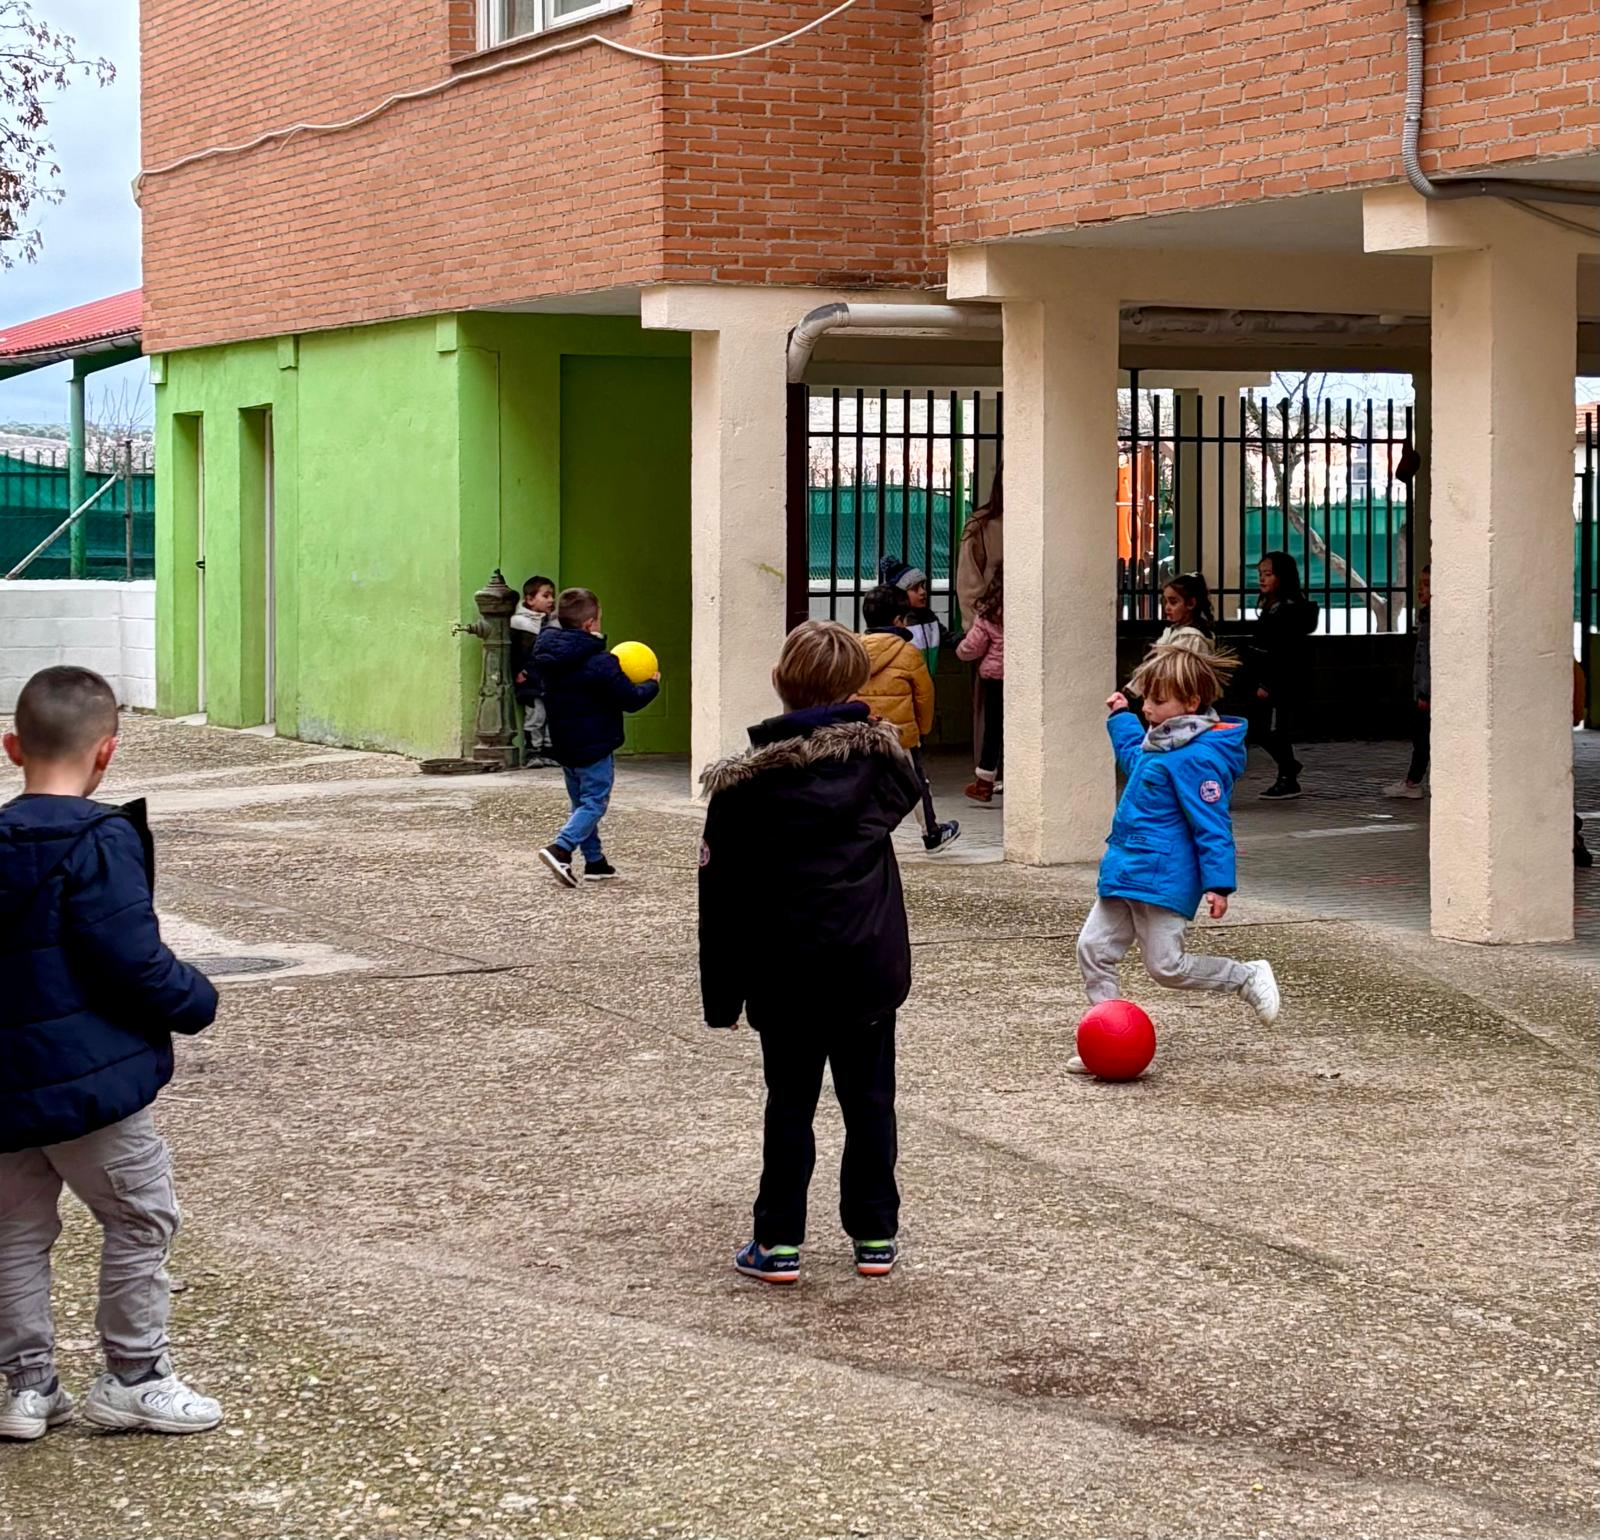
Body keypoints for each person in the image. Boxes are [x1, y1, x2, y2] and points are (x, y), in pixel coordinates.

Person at [0, 666, 222, 1440]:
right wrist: (198, 999)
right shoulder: (103, 841)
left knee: (15, 1236)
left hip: (5, 1090)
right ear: (107, 754)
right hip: (88, 1086)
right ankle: (135, 1375)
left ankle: (28, 1390)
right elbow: (133, 961)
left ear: (12, 746)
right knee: (139, 1219)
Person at [698, 620, 925, 1283]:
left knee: (790, 1102)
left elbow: (722, 898)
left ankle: (778, 1241)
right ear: (856, 682)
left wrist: (723, 997)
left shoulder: (744, 790)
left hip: (785, 966)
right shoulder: (883, 768)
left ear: (779, 680)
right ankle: (875, 1234)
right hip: (867, 962)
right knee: (871, 1099)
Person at [1073, 645, 1281, 1073]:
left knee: (1166, 968)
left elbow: (1212, 823)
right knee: (1092, 949)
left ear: (1191, 703)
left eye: (1157, 701)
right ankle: (1108, 1035)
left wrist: (1218, 883)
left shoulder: (1198, 757)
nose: (1148, 708)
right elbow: (1136, 760)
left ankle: (1246, 975)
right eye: (1145, 699)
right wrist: (1121, 718)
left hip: (1164, 878)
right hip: (1126, 870)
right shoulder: (1163, 742)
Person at [533, 587, 659, 887]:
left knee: (580, 803)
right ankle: (561, 848)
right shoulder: (601, 662)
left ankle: (595, 862)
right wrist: (652, 686)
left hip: (564, 741)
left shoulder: (549, 655)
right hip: (595, 743)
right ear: (590, 623)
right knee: (594, 803)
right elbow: (629, 699)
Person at [857, 584, 960, 855]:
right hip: (901, 735)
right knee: (917, 785)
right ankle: (932, 834)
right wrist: (921, 730)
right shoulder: (908, 652)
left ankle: (862, 834)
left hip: (861, 730)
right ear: (898, 621)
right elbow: (924, 696)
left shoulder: (854, 650)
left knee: (863, 784)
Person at [1248, 551, 1319, 801]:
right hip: (1271, 680)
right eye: (1260, 574)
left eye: (1268, 574)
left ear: (1283, 576)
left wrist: (1267, 683)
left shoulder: (1287, 611)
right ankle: (1288, 768)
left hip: (1281, 683)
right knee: (1262, 729)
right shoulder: (1273, 607)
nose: (1262, 579)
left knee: (1274, 730)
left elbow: (1283, 652)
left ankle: (1288, 775)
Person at [956, 563, 1004, 806]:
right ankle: (1018, 777)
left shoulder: (989, 614)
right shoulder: (1027, 609)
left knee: (993, 729)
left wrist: (960, 649)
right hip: (1024, 677)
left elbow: (972, 647)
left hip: (995, 678)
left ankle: (984, 783)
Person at [1385, 564, 1430, 799]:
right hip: (1424, 691)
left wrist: (1424, 693)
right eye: (1420, 584)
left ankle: (1413, 782)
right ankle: (1413, 780)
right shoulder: (1425, 617)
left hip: (1427, 694)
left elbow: (1428, 661)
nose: (1421, 590)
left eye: (1427, 585)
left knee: (1422, 740)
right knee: (1422, 738)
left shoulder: (1432, 621)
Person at [511, 574, 558, 768]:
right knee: (536, 716)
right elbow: (515, 652)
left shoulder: (553, 623)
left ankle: (549, 751)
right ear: (530, 600)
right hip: (531, 679)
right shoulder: (521, 623)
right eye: (545, 596)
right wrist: (518, 671)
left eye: (552, 596)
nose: (551, 600)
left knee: (552, 714)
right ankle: (533, 751)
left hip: (549, 679)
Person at [879, 556, 943, 675]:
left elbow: (946, 637)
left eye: (923, 586)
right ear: (900, 594)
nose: (923, 592)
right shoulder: (895, 621)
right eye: (915, 589)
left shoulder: (929, 616)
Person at [1158, 572, 1217, 651]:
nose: (1167, 607)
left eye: (1173, 602)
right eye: (1165, 602)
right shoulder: (1175, 630)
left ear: (1190, 603)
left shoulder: (1191, 639)